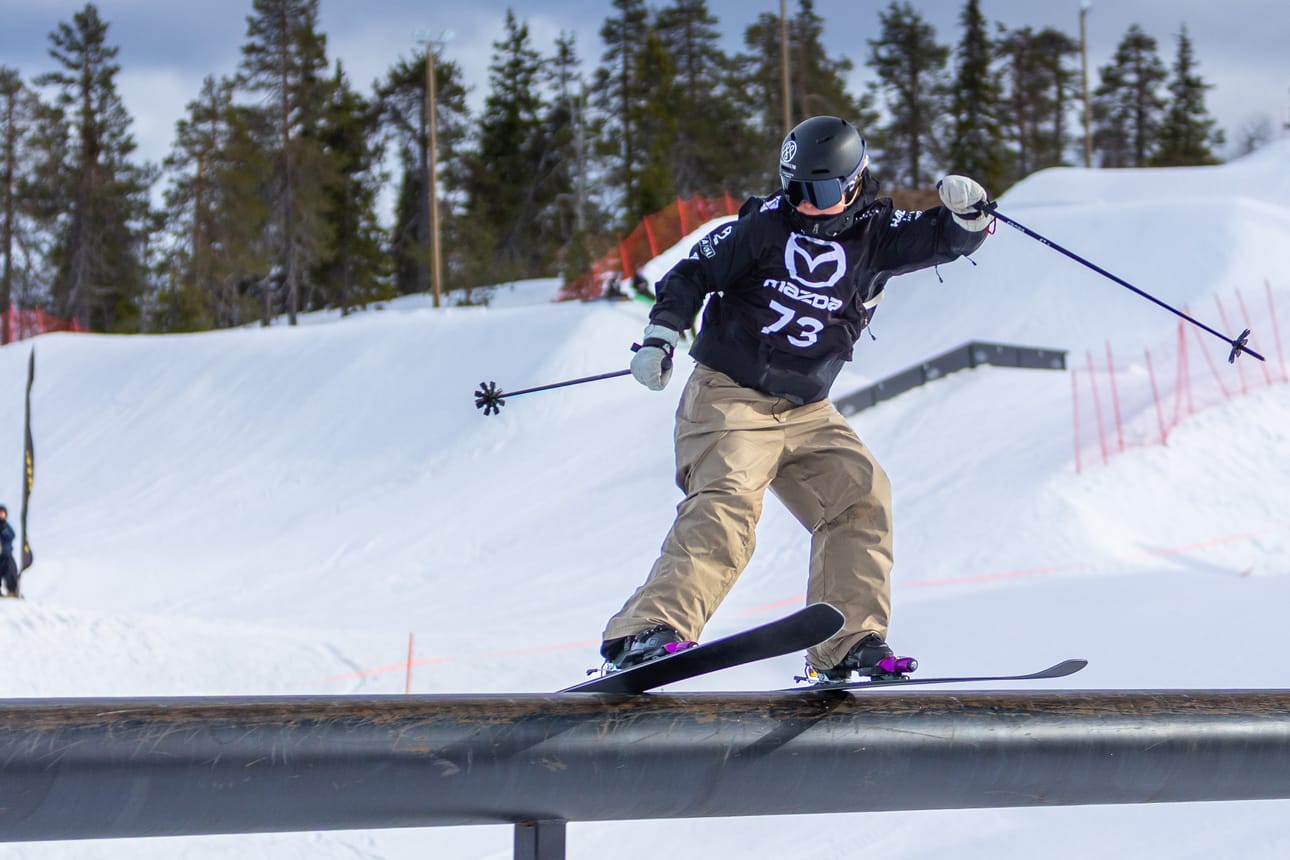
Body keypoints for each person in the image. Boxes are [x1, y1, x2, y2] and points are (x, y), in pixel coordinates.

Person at [600, 115, 994, 682]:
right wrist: (661, 335)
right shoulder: (762, 227)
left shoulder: (879, 235)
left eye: (823, 191)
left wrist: (972, 214)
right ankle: (646, 629)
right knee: (730, 500)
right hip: (729, 396)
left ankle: (847, 642)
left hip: (806, 411)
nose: (807, 205)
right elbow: (690, 273)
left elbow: (944, 236)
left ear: (855, 182)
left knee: (861, 496)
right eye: (796, 190)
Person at [0, 504, 17, 598]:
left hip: (6, 555)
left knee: (11, 571)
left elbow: (12, 535)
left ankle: (12, 591)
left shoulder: (6, 526)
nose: (1, 515)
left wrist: (5, 533)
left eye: (2, 513)